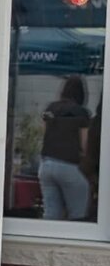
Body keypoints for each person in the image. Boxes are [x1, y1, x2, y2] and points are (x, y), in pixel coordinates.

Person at [40, 75, 93, 220]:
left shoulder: (51, 108)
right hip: (69, 165)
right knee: (78, 214)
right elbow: (84, 143)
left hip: (46, 164)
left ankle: (48, 239)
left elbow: (44, 133)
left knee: (51, 213)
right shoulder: (81, 113)